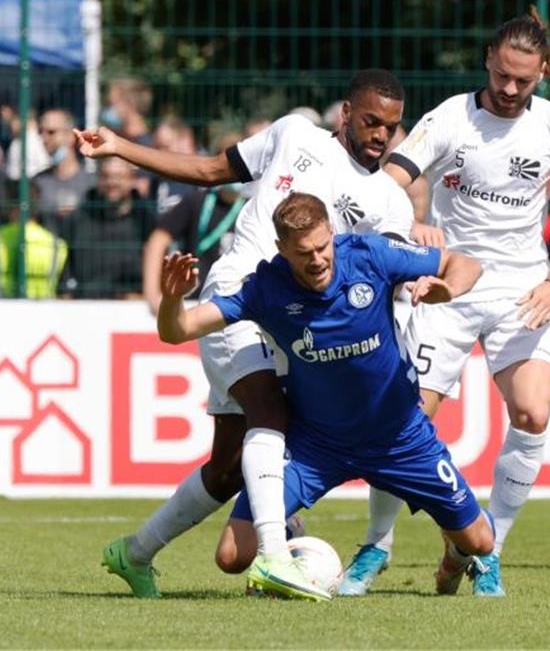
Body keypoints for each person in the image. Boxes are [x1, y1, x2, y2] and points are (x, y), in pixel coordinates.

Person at [78, 69, 414, 598]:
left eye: (391, 127)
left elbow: (383, 275)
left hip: (294, 327)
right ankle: (277, 557)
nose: (380, 135)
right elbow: (212, 168)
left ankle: (134, 553)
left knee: (229, 467)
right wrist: (121, 147)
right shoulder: (294, 134)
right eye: (371, 121)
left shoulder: (391, 202)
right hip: (238, 297)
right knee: (269, 412)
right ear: (346, 113)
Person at [349, 9, 550, 597]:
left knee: (534, 415)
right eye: (504, 75)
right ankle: (377, 545)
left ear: (544, 73)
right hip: (449, 286)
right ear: (489, 57)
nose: (511, 90)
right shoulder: (449, 119)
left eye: (525, 81)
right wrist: (412, 222)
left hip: (523, 289)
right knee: (406, 417)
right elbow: (390, 178)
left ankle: (486, 550)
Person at [157, 192, 493, 601]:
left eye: (322, 246)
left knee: (481, 541)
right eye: (303, 253)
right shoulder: (266, 288)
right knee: (232, 556)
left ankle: (456, 554)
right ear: (281, 249)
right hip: (316, 445)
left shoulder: (369, 255)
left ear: (332, 233)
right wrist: (173, 298)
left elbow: (465, 263)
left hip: (399, 438)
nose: (317, 259)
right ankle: (289, 542)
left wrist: (448, 288)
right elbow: (178, 330)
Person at [141, 184, 245, 315]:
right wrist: (153, 295)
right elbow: (158, 240)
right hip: (192, 297)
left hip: (235, 299)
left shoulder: (251, 207)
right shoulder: (196, 201)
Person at [59, 157, 154, 299]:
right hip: (85, 307)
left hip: (134, 309)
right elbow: (64, 273)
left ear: (132, 179)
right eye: (105, 176)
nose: (111, 183)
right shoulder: (78, 220)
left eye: (118, 177)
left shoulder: (147, 222)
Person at [0, 182, 69, 299]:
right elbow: (65, 295)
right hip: (44, 314)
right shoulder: (56, 245)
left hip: (0, 313)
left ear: (10, 205)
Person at [32, 108, 96, 232]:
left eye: (51, 132)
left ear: (71, 136)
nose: (44, 139)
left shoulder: (92, 183)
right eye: (41, 132)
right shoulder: (37, 182)